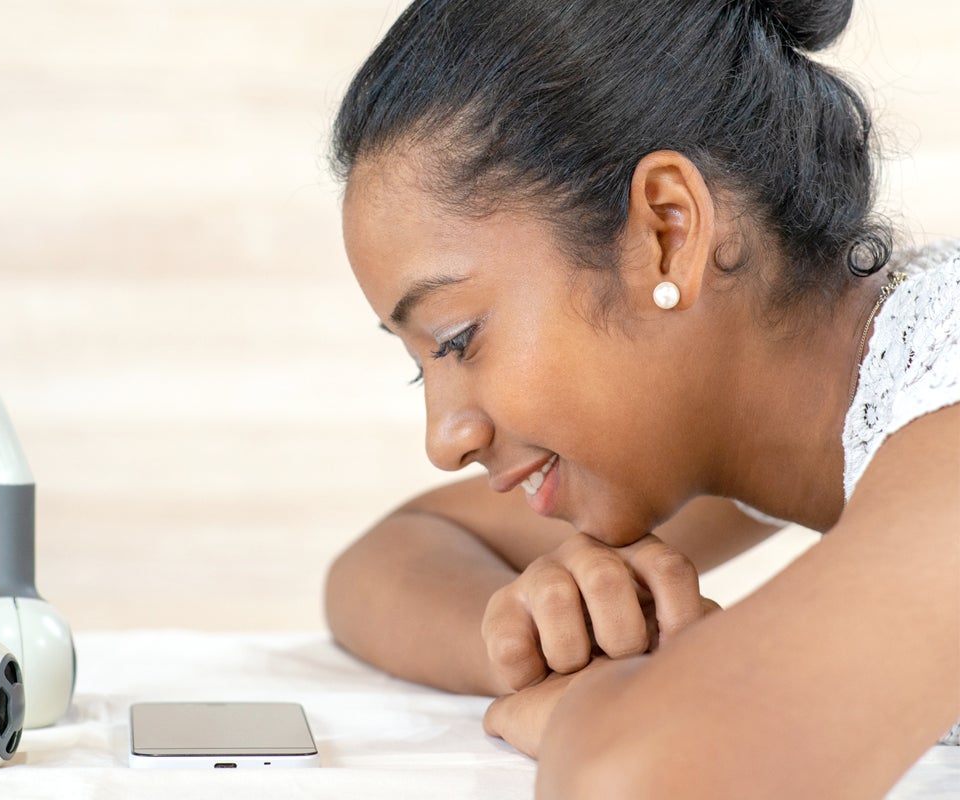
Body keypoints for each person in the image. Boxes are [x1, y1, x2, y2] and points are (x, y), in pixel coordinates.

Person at [323, 0, 960, 796]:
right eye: (424, 367)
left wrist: (602, 702)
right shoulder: (781, 415)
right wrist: (541, 638)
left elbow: (640, 778)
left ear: (667, 232)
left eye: (457, 339)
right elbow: (388, 559)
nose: (444, 440)